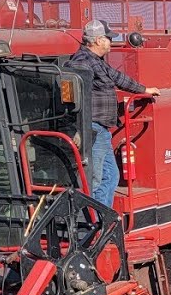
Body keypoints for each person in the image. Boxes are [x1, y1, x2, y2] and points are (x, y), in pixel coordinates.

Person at [68, 19, 161, 205]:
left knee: (110, 176)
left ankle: (103, 218)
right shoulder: (82, 62)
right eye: (108, 38)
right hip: (92, 127)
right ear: (98, 40)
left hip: (102, 129)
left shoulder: (97, 61)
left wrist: (143, 89)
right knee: (96, 178)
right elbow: (74, 86)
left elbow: (117, 77)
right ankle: (92, 222)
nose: (111, 42)